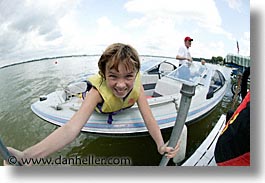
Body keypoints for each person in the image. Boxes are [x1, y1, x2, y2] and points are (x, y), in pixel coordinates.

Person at [5, 43, 179, 165]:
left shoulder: (137, 85)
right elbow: (71, 128)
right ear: (103, 75)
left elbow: (149, 119)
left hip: (125, 103)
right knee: (85, 99)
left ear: (135, 74)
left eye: (128, 76)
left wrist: (160, 144)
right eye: (113, 76)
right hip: (101, 106)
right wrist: (27, 156)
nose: (121, 84)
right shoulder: (97, 92)